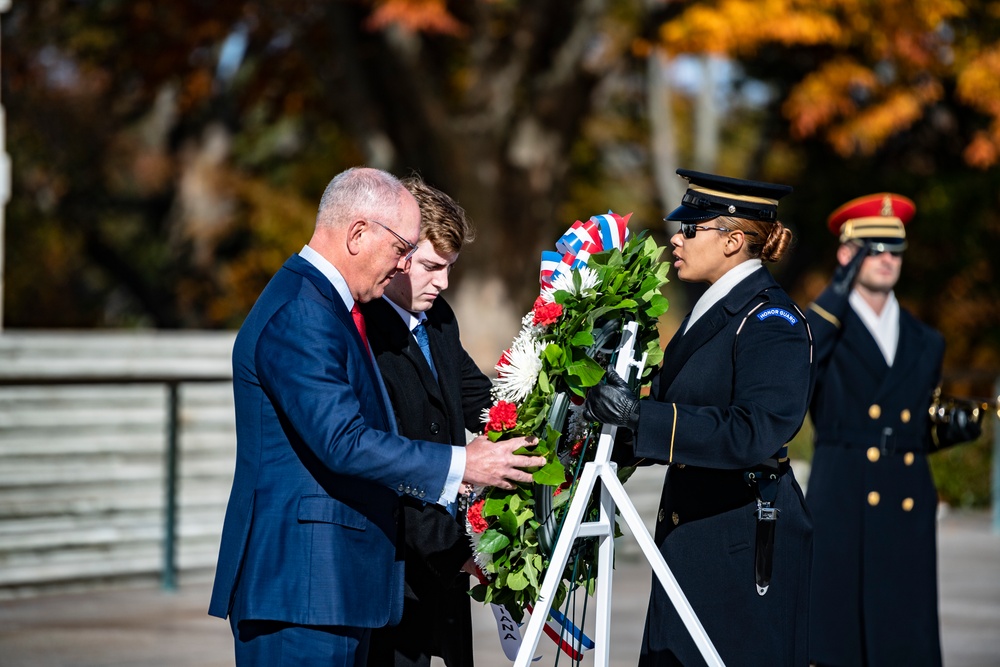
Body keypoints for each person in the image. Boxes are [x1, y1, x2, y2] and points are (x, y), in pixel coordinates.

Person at [207, 167, 545, 666]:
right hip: (302, 590)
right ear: (358, 233)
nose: (404, 266)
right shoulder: (305, 311)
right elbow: (342, 440)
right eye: (403, 250)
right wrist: (462, 465)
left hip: (331, 588)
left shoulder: (331, 306)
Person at [584, 169, 814, 666]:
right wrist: (596, 425)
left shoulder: (771, 321)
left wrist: (637, 417)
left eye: (691, 228)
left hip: (737, 537)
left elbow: (754, 431)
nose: (676, 236)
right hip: (696, 534)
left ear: (733, 240)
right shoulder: (712, 311)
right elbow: (670, 410)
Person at [805, 193, 981, 667]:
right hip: (842, 496)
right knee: (836, 643)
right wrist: (833, 295)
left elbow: (913, 425)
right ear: (846, 253)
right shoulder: (823, 328)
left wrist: (949, 427)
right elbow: (796, 368)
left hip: (905, 499)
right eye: (872, 247)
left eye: (894, 249)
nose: (886, 258)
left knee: (903, 639)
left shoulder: (927, 341)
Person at [361, 178, 490, 667]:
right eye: (433, 267)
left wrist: (554, 411)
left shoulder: (439, 316)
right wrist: (448, 548)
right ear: (399, 255)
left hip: (445, 560)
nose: (443, 282)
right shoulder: (364, 327)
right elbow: (384, 453)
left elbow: (478, 398)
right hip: (397, 561)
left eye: (450, 268)